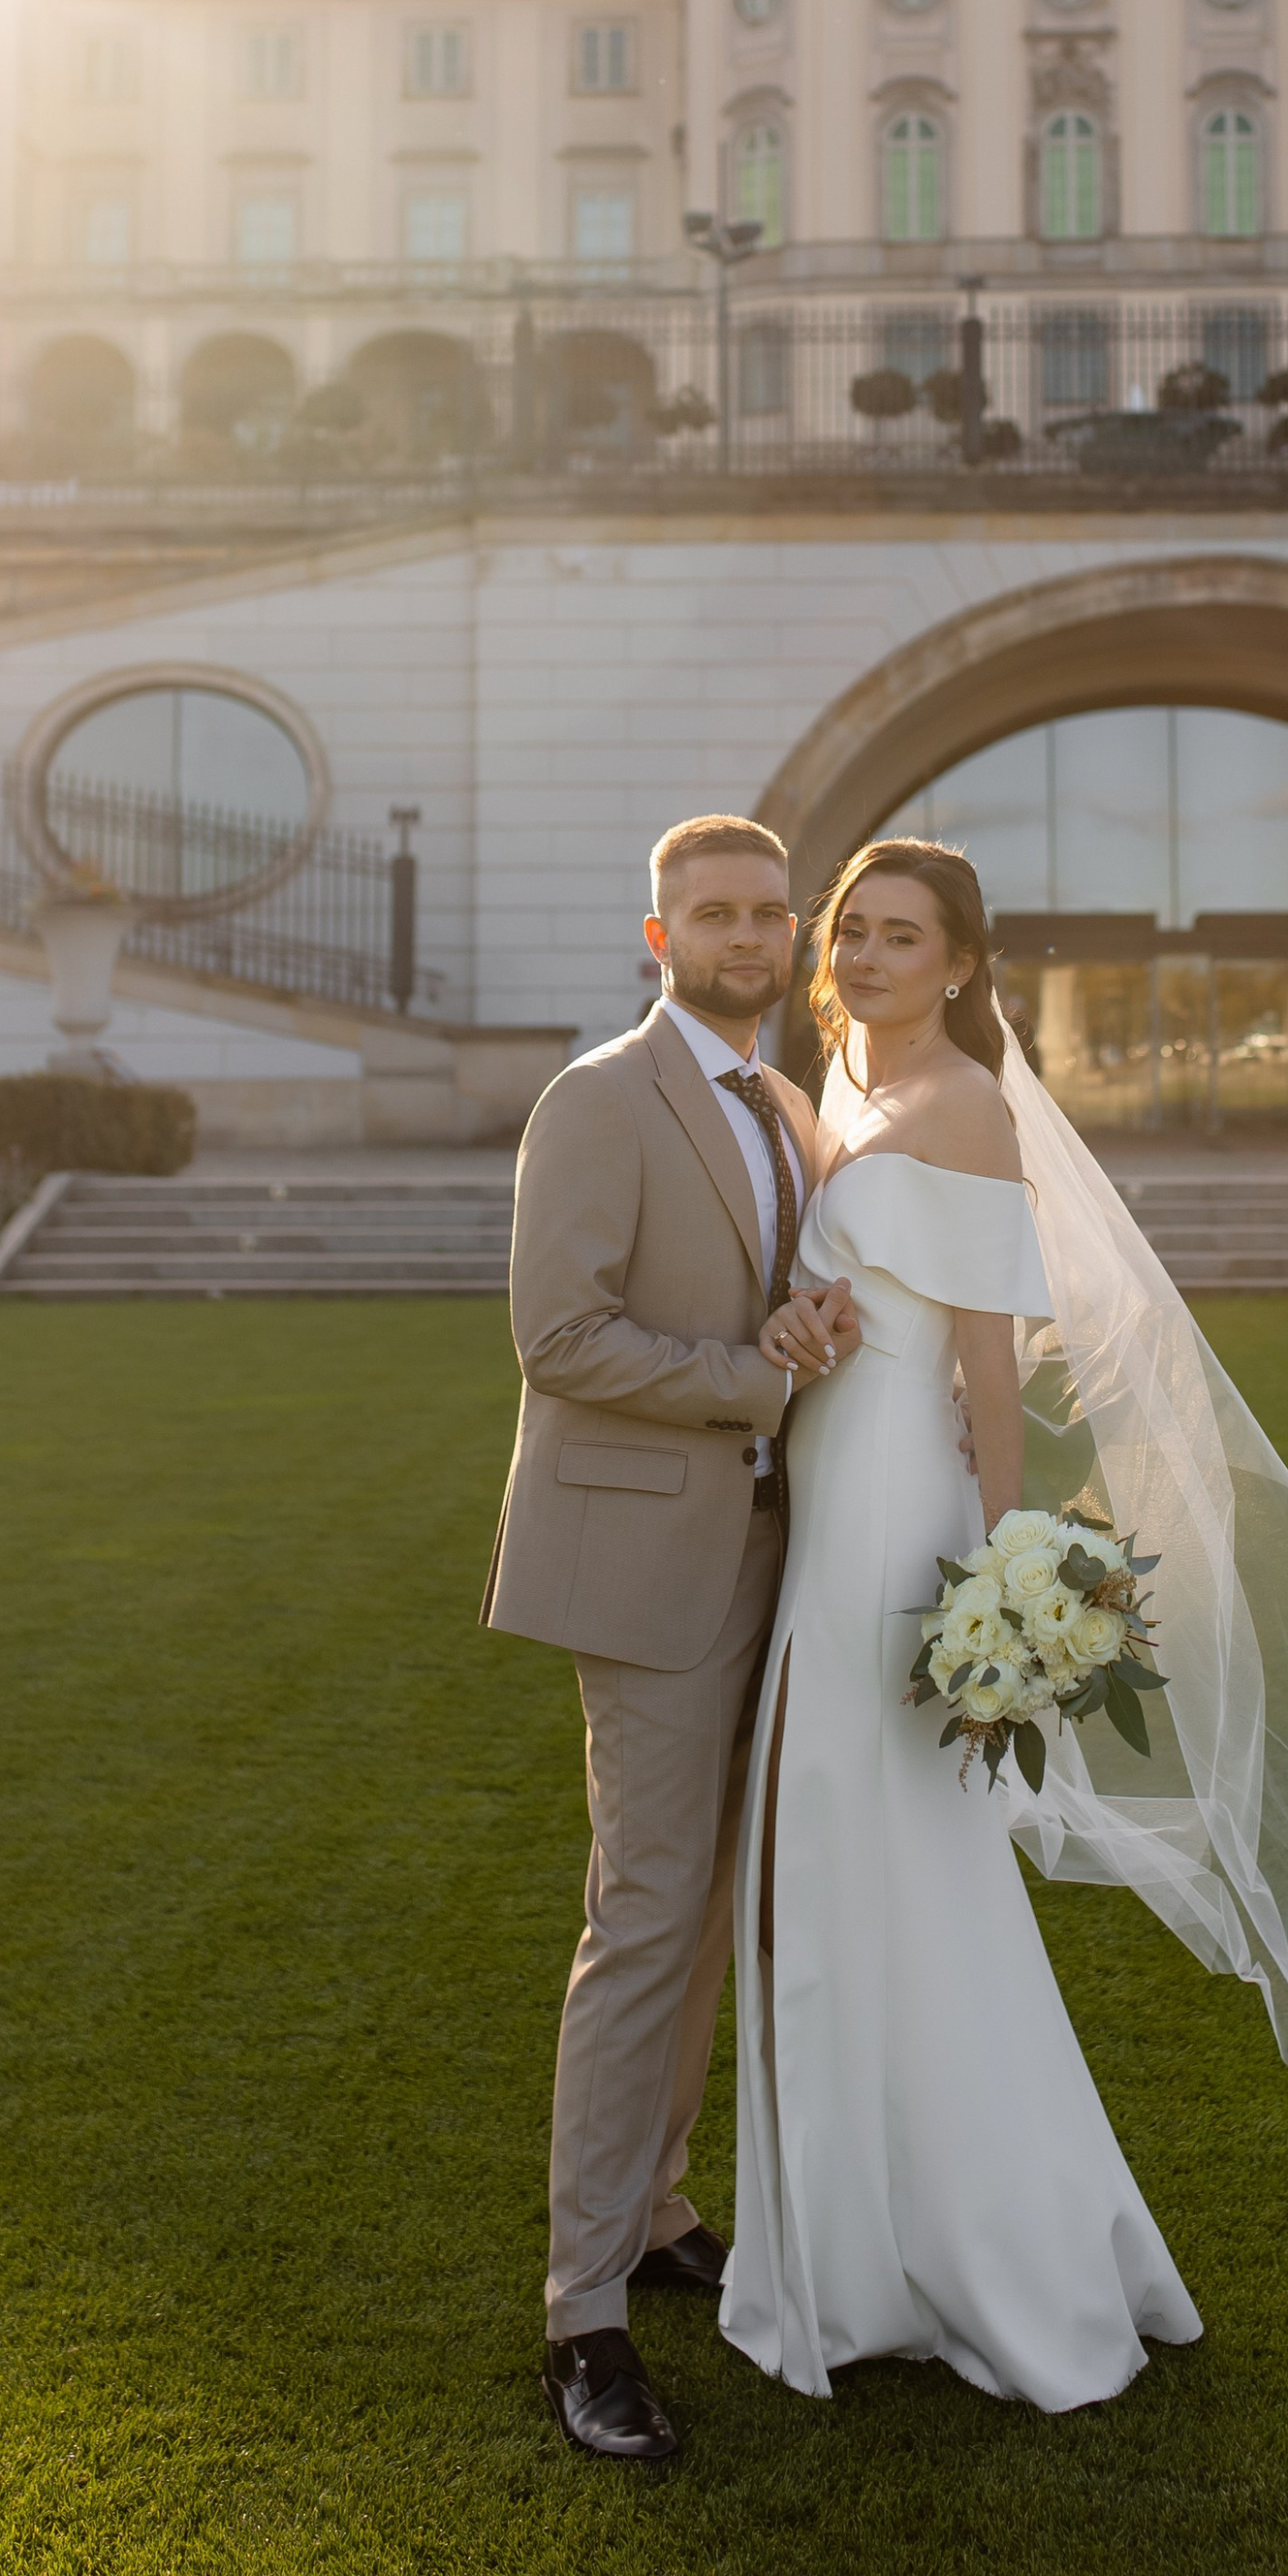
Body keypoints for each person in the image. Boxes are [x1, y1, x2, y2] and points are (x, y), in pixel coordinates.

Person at [719, 839, 1288, 2413]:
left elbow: (992, 1376)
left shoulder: (964, 1108)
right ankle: (851, 2244)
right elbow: (850, 1313)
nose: (866, 957)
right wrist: (799, 1328)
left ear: (960, 965)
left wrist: (997, 1583)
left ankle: (987, 2252)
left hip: (893, 1529)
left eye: (903, 937)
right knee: (833, 1874)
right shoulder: (842, 1096)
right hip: (828, 1492)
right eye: (850, 933)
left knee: (896, 1872)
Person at [485, 814, 861, 2471]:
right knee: (642, 1917)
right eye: (714, 915)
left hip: (784, 1555)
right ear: (659, 937)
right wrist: (759, 1378)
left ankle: (658, 2210)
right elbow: (559, 1336)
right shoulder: (597, 1097)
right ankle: (583, 2314)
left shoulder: (789, 1105)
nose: (747, 938)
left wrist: (817, 1340)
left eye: (771, 915)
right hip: (648, 1560)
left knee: (715, 1909)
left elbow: (796, 1310)